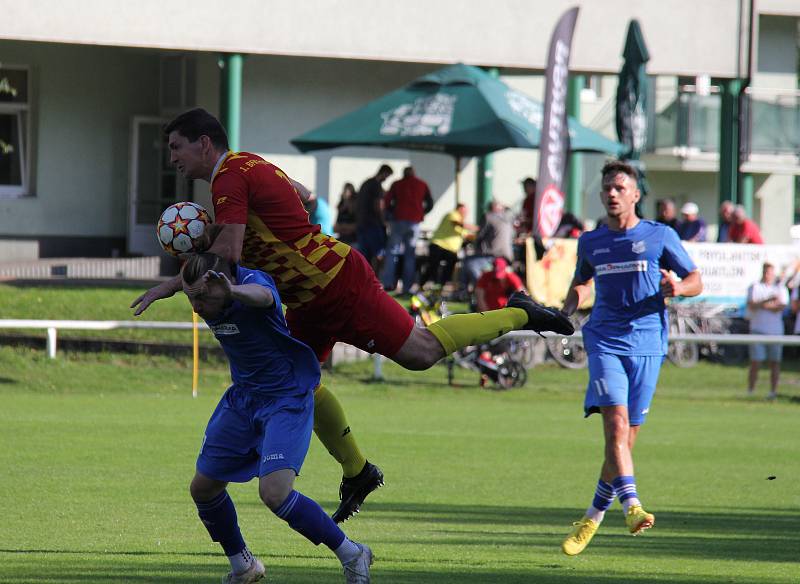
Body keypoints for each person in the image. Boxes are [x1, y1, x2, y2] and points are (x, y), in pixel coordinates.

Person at [132, 108, 574, 523]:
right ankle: (359, 471)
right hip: (308, 296)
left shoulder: (227, 177)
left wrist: (177, 279)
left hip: (338, 282)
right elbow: (306, 197)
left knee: (420, 352)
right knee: (300, 381)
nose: (172, 158)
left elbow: (227, 255)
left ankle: (518, 314)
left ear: (204, 143)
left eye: (176, 147)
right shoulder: (248, 165)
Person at [181, 253, 372, 584]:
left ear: (221, 284)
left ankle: (353, 554)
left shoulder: (251, 285)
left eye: (201, 297)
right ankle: (244, 566)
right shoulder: (208, 289)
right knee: (204, 489)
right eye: (190, 298)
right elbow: (194, 279)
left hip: (286, 398)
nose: (197, 307)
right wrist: (168, 287)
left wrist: (233, 293)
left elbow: (266, 296)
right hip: (243, 400)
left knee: (275, 493)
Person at [559, 160, 703, 556]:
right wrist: (565, 311)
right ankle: (632, 506)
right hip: (605, 339)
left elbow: (696, 280)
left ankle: (592, 517)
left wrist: (678, 287)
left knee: (623, 441)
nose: (611, 193)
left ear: (636, 194)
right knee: (616, 426)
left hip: (648, 345)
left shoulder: (660, 237)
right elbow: (581, 284)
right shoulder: (591, 241)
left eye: (620, 187)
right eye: (607, 187)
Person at [380, 166, 433, 294]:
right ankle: (407, 287)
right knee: (410, 255)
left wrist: (391, 214)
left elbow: (387, 202)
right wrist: (421, 212)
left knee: (392, 252)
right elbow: (430, 202)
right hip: (414, 222)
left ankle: (388, 284)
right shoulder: (422, 184)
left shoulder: (397, 184)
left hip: (398, 221)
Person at [746, 262, 788, 400]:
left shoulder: (780, 288)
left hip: (775, 332)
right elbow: (752, 305)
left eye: (770, 272)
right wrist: (769, 301)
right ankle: (750, 391)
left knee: (774, 362)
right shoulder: (755, 287)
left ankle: (773, 393)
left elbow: (780, 307)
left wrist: (762, 305)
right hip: (758, 329)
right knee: (755, 362)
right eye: (766, 272)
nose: (768, 275)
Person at [421, 203, 478, 287]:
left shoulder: (462, 222)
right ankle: (422, 285)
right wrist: (478, 228)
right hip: (439, 244)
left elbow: (468, 236)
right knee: (433, 266)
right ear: (458, 209)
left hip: (450, 249)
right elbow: (457, 223)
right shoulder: (452, 214)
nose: (466, 213)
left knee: (449, 266)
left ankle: (440, 286)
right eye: (464, 211)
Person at [356, 165, 393, 272]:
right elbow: (379, 205)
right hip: (373, 225)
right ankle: (375, 280)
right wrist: (383, 221)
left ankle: (364, 280)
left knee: (364, 256)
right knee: (379, 254)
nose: (386, 179)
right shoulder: (376, 185)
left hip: (361, 224)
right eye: (387, 176)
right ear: (384, 173)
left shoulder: (366, 183)